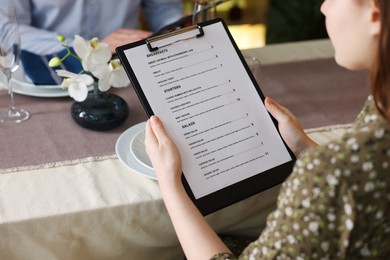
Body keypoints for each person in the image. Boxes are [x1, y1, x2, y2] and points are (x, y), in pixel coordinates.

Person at [144, 0, 390, 259]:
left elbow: (344, 178)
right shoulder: (380, 105)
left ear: (374, 15)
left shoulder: (333, 172)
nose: (323, 8)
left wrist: (170, 182)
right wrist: (304, 147)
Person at [14, 0, 183, 55]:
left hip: (124, 71)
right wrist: (91, 49)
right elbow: (9, 30)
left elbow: (163, 7)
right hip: (47, 74)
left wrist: (179, 37)